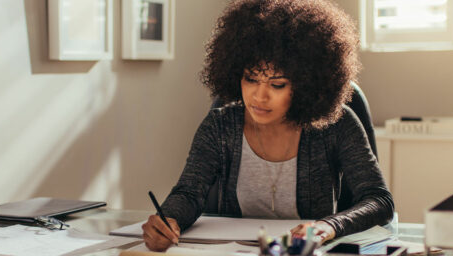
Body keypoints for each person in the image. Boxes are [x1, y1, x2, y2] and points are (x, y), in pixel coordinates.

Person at [141, 0, 394, 252]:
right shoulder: (220, 126)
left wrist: (329, 226)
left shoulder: (337, 124)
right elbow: (188, 193)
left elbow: (379, 199)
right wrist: (168, 220)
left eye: (277, 84)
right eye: (251, 79)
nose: (259, 96)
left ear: (306, 84)